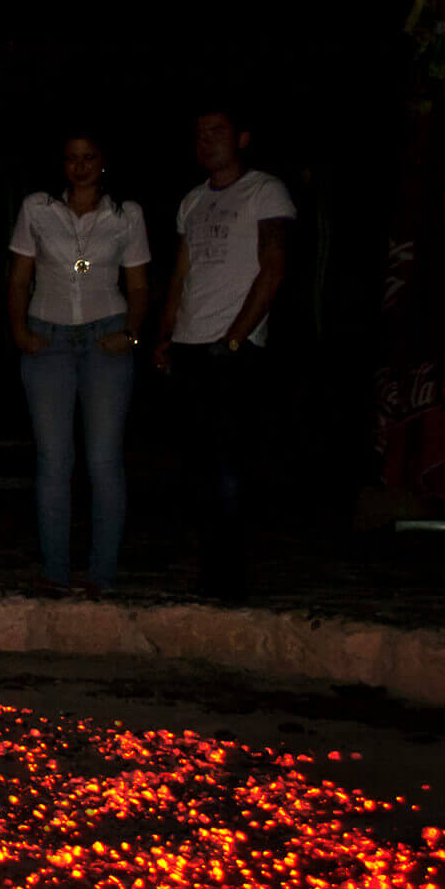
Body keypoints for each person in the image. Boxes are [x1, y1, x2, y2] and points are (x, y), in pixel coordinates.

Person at [154, 106, 295, 603]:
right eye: (199, 133)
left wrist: (235, 340)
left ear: (242, 137)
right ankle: (205, 570)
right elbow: (181, 274)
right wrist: (165, 333)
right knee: (196, 466)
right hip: (191, 345)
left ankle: (229, 580)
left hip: (233, 346)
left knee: (229, 464)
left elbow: (273, 269)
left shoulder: (265, 190)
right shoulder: (191, 201)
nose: (206, 141)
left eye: (217, 131)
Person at [7, 129, 150, 592]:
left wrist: (130, 334)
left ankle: (102, 573)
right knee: (53, 459)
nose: (81, 166)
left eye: (89, 157)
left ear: (103, 162)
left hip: (104, 335)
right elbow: (19, 277)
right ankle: (54, 570)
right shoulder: (38, 209)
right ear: (61, 163)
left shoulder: (125, 216)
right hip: (47, 337)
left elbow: (139, 285)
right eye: (72, 158)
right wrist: (20, 332)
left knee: (104, 460)